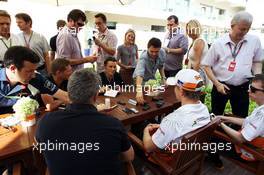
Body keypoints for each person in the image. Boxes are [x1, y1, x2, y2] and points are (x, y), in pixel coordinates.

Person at [36, 69, 134, 175]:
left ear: (69, 92)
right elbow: (129, 156)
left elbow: (39, 144)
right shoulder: (113, 124)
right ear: (96, 96)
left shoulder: (46, 122)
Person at [201, 11, 263, 118]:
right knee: (217, 116)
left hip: (243, 87)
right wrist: (217, 84)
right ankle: (215, 135)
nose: (244, 32)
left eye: (247, 29)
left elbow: (257, 61)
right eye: (242, 28)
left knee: (241, 117)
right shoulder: (218, 43)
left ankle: (235, 134)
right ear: (232, 25)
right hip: (221, 86)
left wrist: (256, 81)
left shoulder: (254, 41)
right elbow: (206, 65)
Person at [142, 69, 210, 154]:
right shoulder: (204, 109)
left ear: (181, 91)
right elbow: (188, 126)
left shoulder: (172, 120)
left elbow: (148, 147)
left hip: (169, 161)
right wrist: (163, 126)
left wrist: (145, 130)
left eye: (175, 87)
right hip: (190, 155)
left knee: (139, 131)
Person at [0, 46, 69, 114]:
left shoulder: (36, 78)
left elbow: (65, 96)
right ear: (12, 68)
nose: (33, 75)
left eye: (34, 70)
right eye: (29, 71)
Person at [217, 74, 264, 162]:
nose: (248, 90)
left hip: (249, 152)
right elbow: (246, 121)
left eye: (253, 89)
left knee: (213, 139)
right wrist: (224, 118)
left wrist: (220, 123)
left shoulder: (262, 114)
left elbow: (240, 138)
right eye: (250, 87)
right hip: (251, 145)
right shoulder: (261, 107)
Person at [133, 37, 166, 104]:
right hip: (139, 81)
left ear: (160, 49)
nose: (154, 54)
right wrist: (139, 91)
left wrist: (163, 78)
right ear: (147, 48)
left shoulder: (162, 52)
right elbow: (139, 74)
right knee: (141, 99)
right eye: (151, 51)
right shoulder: (143, 58)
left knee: (152, 101)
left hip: (150, 79)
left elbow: (161, 66)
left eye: (156, 51)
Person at [186, 19, 208, 85]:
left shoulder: (199, 41)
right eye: (187, 30)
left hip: (198, 73)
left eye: (191, 30)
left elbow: (197, 62)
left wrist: (193, 78)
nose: (189, 33)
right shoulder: (195, 41)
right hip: (195, 72)